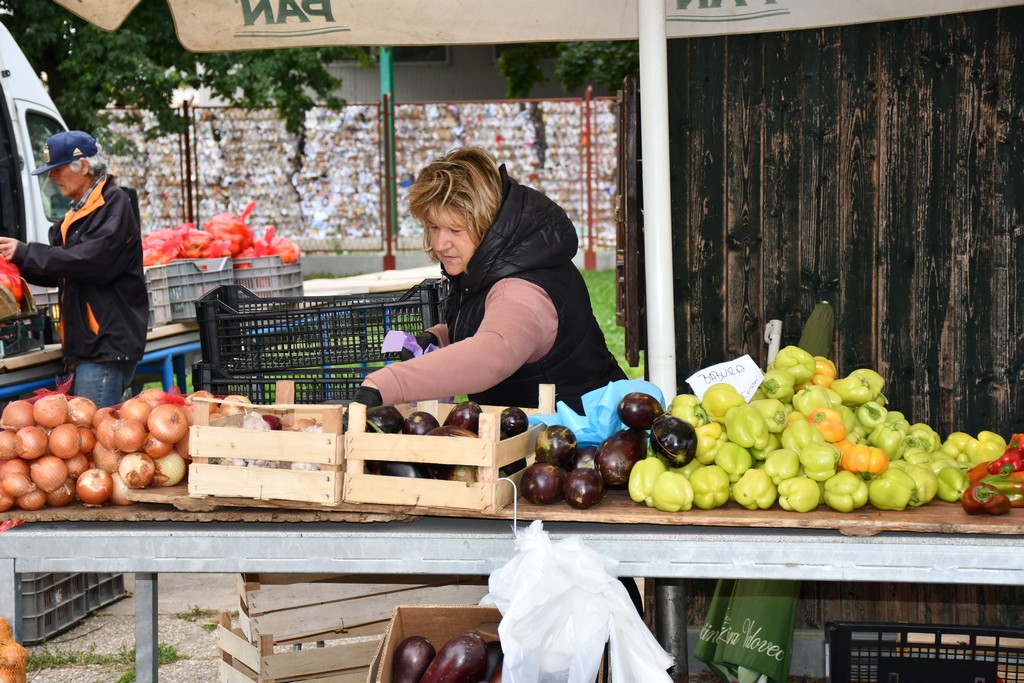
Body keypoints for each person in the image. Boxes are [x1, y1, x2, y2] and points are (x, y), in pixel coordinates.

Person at [351, 146, 626, 413]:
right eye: (433, 227)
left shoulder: (519, 288)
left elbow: (493, 354)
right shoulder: (507, 260)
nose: (439, 243)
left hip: (579, 440)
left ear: (488, 223)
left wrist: (386, 384)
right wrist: (441, 337)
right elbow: (500, 326)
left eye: (455, 230)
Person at [0, 130, 149, 408]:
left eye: (56, 169)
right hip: (87, 346)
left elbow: (90, 260)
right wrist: (15, 261)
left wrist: (26, 251)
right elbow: (62, 270)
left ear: (83, 167)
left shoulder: (114, 204)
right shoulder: (75, 215)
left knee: (94, 435)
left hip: (104, 345)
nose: (52, 177)